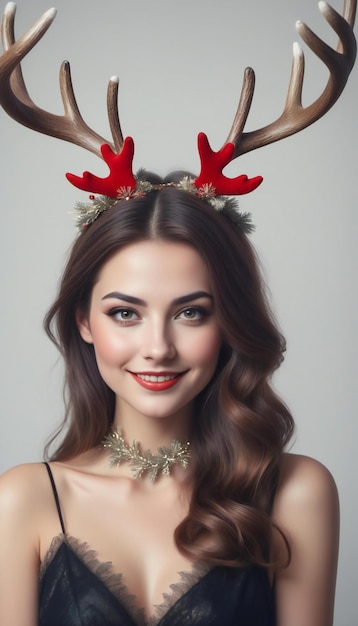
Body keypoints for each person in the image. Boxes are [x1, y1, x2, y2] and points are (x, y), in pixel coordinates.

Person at [0, 2, 355, 625]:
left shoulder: (295, 493)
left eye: (191, 312)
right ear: (84, 321)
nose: (157, 346)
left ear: (231, 323)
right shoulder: (25, 500)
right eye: (125, 313)